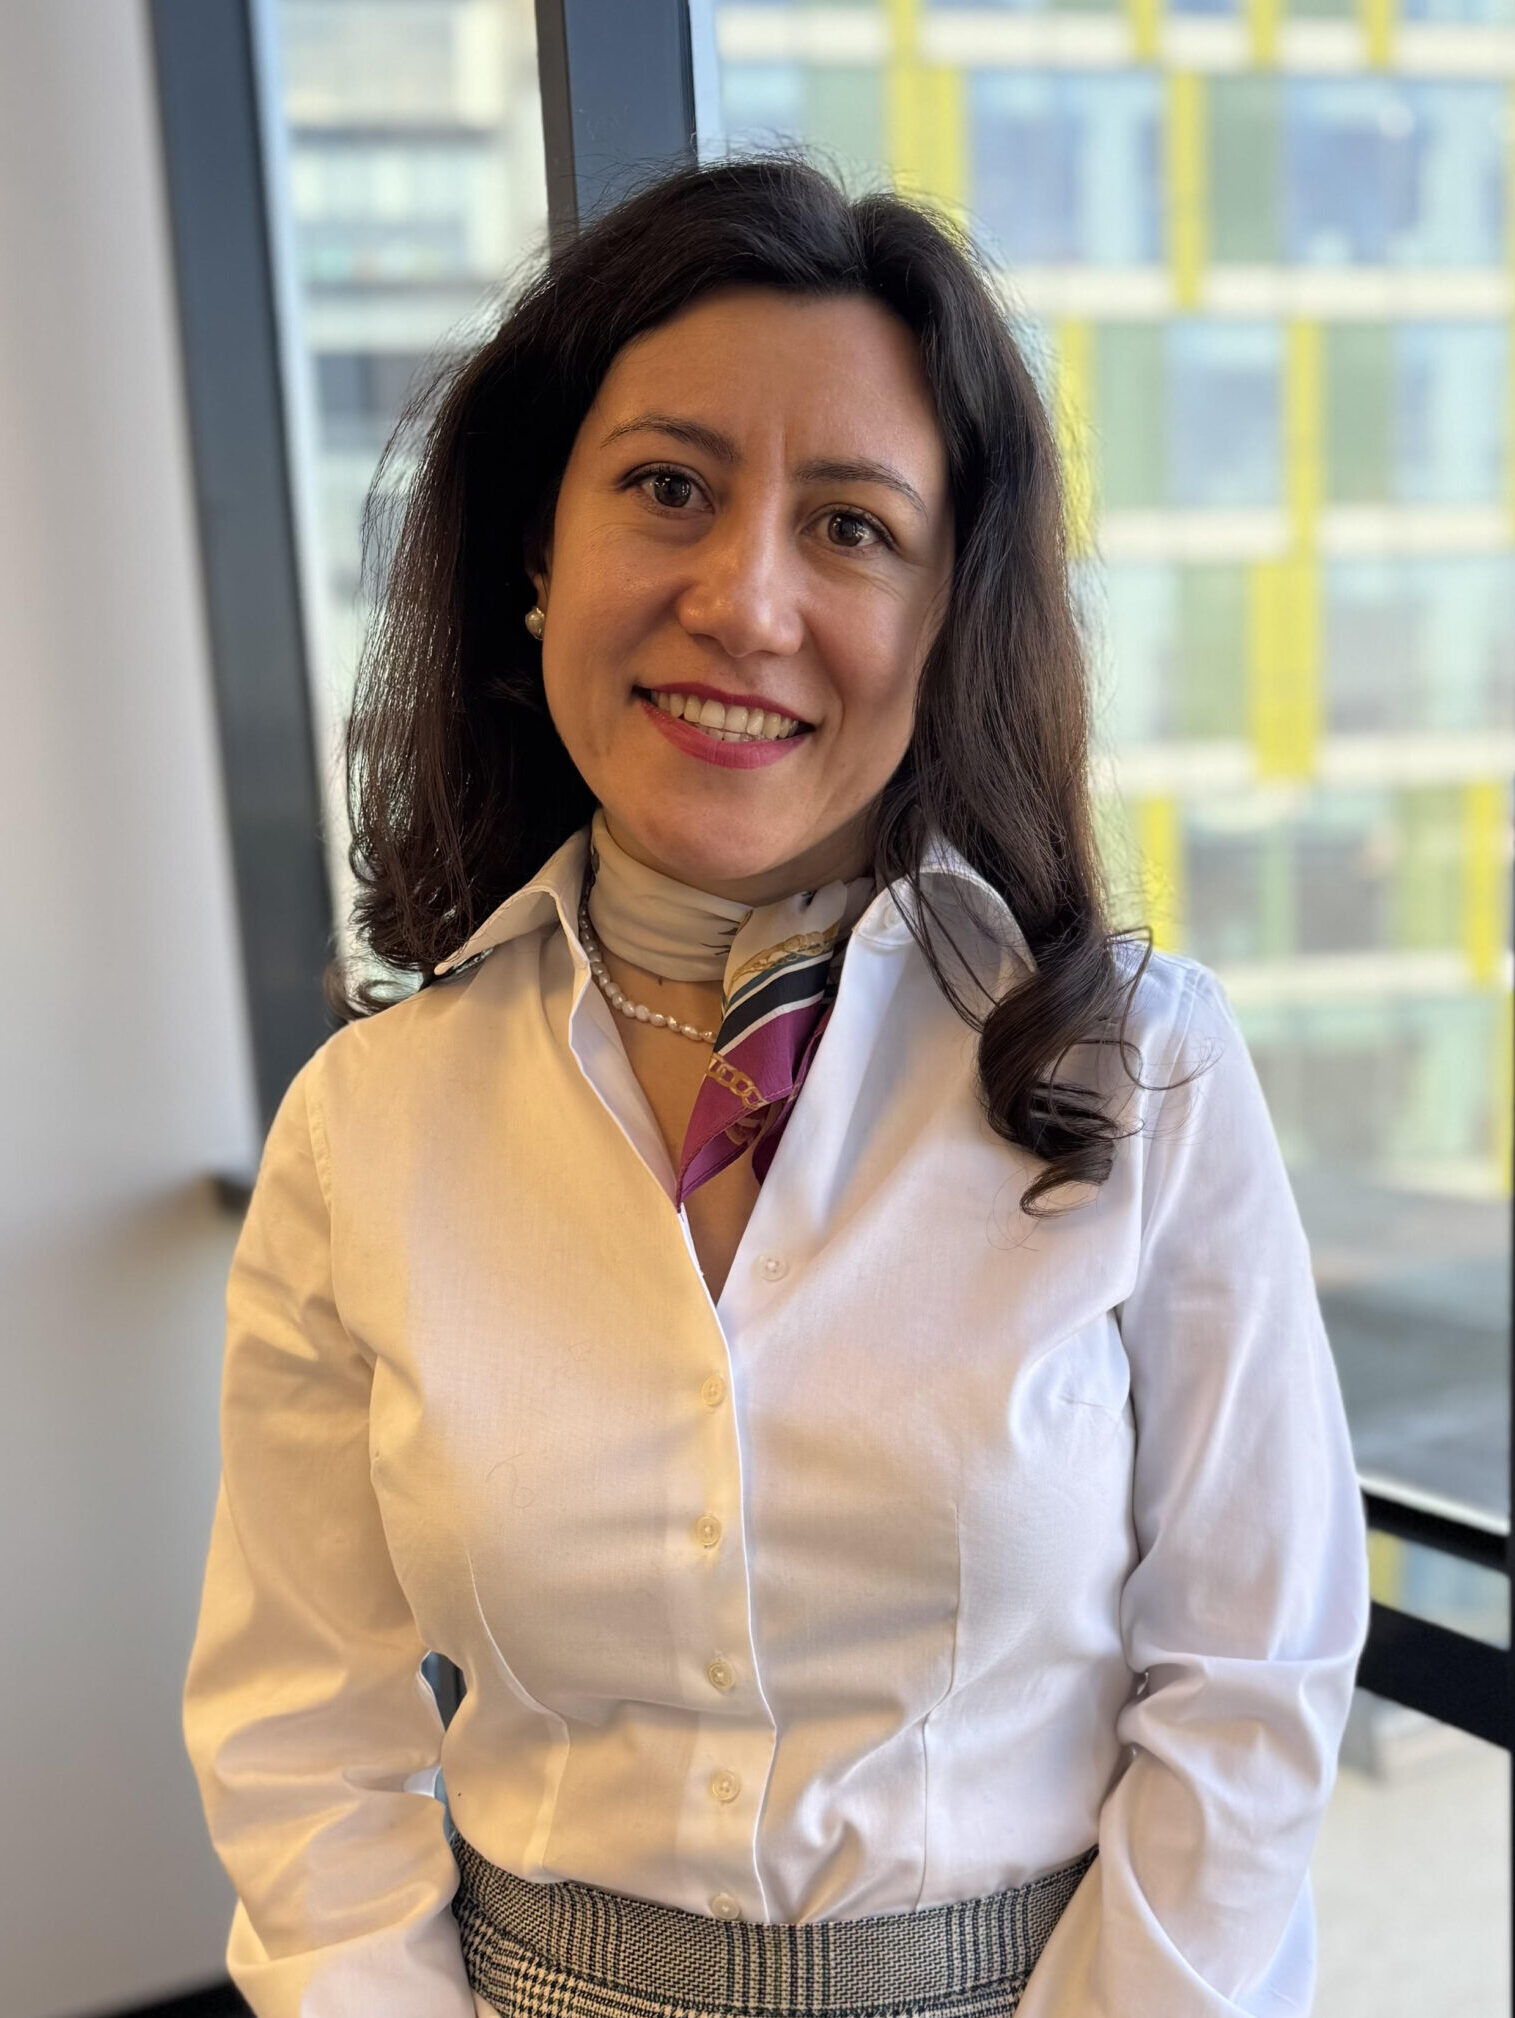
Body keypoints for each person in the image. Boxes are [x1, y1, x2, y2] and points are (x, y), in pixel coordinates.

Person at [183, 154, 1370, 2018]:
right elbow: (298, 1729)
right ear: (537, 553)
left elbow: (1253, 1676)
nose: (744, 603)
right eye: (669, 487)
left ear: (950, 613)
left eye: (852, 527)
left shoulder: (1146, 1071)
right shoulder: (366, 1127)